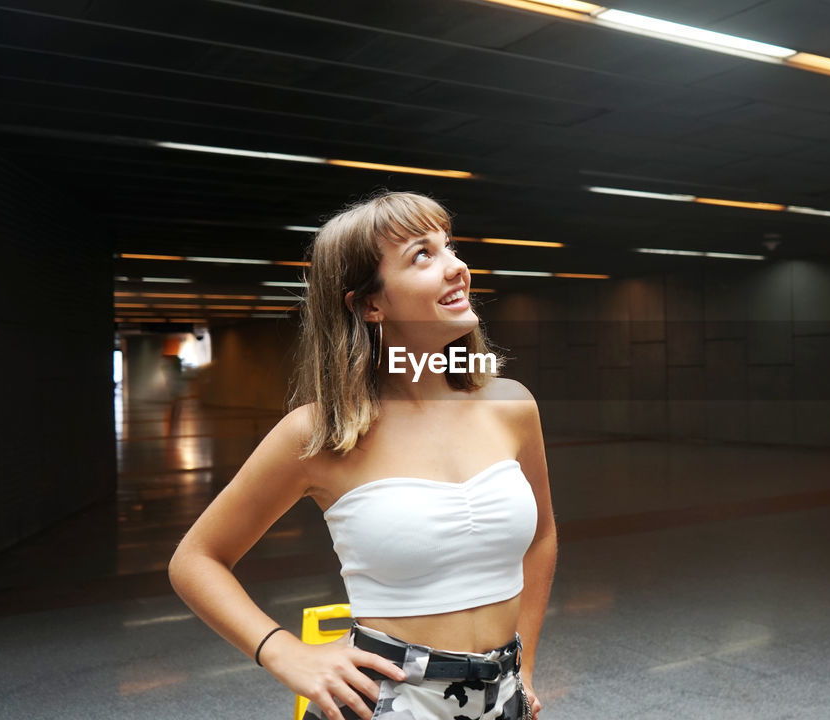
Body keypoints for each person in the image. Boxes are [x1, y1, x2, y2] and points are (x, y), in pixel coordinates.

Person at [169, 190, 558, 720]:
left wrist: (525, 668)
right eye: (423, 255)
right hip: (390, 702)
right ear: (369, 304)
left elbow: (540, 538)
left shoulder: (511, 405)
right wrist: (283, 651)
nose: (457, 268)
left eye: (449, 247)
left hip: (506, 697)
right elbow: (195, 560)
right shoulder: (319, 433)